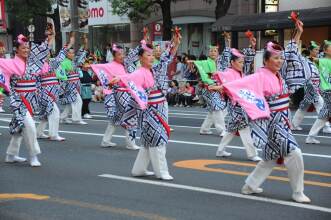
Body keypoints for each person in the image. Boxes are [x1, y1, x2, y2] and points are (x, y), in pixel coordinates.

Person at [221, 20, 310, 203]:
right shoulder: (260, 76)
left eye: (280, 58)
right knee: (294, 153)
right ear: (266, 60)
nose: (280, 61)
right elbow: (239, 85)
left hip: (283, 119)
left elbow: (292, 56)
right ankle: (297, 191)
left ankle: (250, 185)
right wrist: (220, 86)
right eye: (275, 58)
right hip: (272, 123)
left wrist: (298, 34)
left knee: (270, 157)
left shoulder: (280, 73)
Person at [112, 32, 181, 180]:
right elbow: (128, 78)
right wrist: (118, 78)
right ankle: (162, 172)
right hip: (151, 110)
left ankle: (139, 169)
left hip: (162, 107)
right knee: (158, 139)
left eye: (152, 55)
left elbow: (166, 57)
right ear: (141, 58)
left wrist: (175, 43)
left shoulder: (155, 69)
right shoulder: (140, 72)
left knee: (149, 140)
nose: (151, 57)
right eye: (147, 55)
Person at [0, 31, 53, 167]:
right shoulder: (9, 63)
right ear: (16, 50)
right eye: (23, 48)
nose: (26, 50)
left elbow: (45, 66)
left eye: (27, 48)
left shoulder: (33, 64)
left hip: (31, 100)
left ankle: (10, 155)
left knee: (19, 128)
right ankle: (33, 156)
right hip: (18, 100)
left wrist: (49, 40)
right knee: (29, 126)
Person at [211, 48, 261, 161]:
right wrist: (217, 87)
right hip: (235, 105)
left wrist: (252, 47)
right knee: (244, 128)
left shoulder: (241, 73)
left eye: (242, 62)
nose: (242, 64)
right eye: (240, 62)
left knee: (231, 130)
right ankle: (252, 154)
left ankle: (220, 150)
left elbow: (248, 62)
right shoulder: (228, 73)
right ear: (232, 62)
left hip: (241, 105)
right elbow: (227, 85)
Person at [90, 44, 141, 150]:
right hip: (120, 93)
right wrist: (89, 65)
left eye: (123, 54)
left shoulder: (124, 65)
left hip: (125, 93)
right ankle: (130, 143)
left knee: (115, 118)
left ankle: (106, 140)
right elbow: (98, 67)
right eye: (119, 54)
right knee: (130, 115)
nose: (122, 56)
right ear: (114, 56)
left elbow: (133, 57)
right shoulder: (110, 65)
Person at [59, 34, 88, 125]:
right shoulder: (63, 62)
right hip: (69, 85)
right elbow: (61, 76)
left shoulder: (74, 61)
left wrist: (84, 43)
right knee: (78, 100)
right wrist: (64, 86)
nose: (72, 54)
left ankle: (62, 117)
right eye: (70, 53)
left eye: (72, 53)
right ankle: (77, 119)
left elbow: (81, 53)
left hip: (76, 84)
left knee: (70, 102)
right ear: (66, 54)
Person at [306, 40, 331, 144]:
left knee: (324, 113)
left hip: (327, 90)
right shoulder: (322, 61)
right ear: (325, 50)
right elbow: (310, 59)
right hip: (327, 90)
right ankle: (311, 137)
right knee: (325, 113)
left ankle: (311, 137)